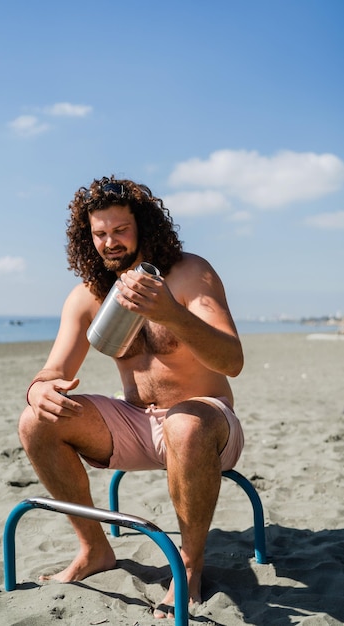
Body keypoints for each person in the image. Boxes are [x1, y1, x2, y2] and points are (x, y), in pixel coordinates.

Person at [18, 175, 244, 619]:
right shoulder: (89, 295)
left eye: (119, 230)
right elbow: (55, 369)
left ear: (144, 227)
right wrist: (39, 387)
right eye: (99, 234)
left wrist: (172, 314)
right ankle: (94, 550)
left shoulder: (189, 273)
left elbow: (232, 360)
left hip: (207, 423)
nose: (109, 242)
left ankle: (190, 566)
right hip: (135, 422)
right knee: (35, 420)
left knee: (185, 422)